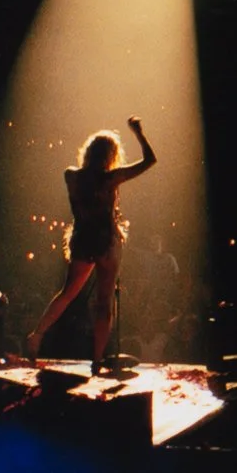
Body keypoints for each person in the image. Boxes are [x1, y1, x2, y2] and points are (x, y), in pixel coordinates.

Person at [25, 116, 157, 375]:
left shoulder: (70, 176)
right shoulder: (111, 178)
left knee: (67, 293)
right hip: (106, 243)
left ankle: (37, 334)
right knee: (104, 302)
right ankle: (97, 359)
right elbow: (150, 160)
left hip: (83, 240)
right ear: (111, 156)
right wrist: (139, 133)